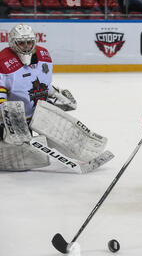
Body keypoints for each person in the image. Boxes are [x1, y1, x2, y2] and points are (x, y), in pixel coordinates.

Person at [0, 24, 113, 172]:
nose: (26, 46)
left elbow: (42, 83)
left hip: (37, 112)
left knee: (61, 132)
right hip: (12, 120)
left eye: (29, 42)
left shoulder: (43, 55)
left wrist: (56, 93)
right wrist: (6, 115)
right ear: (13, 44)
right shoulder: (4, 61)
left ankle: (85, 154)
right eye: (21, 43)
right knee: (18, 153)